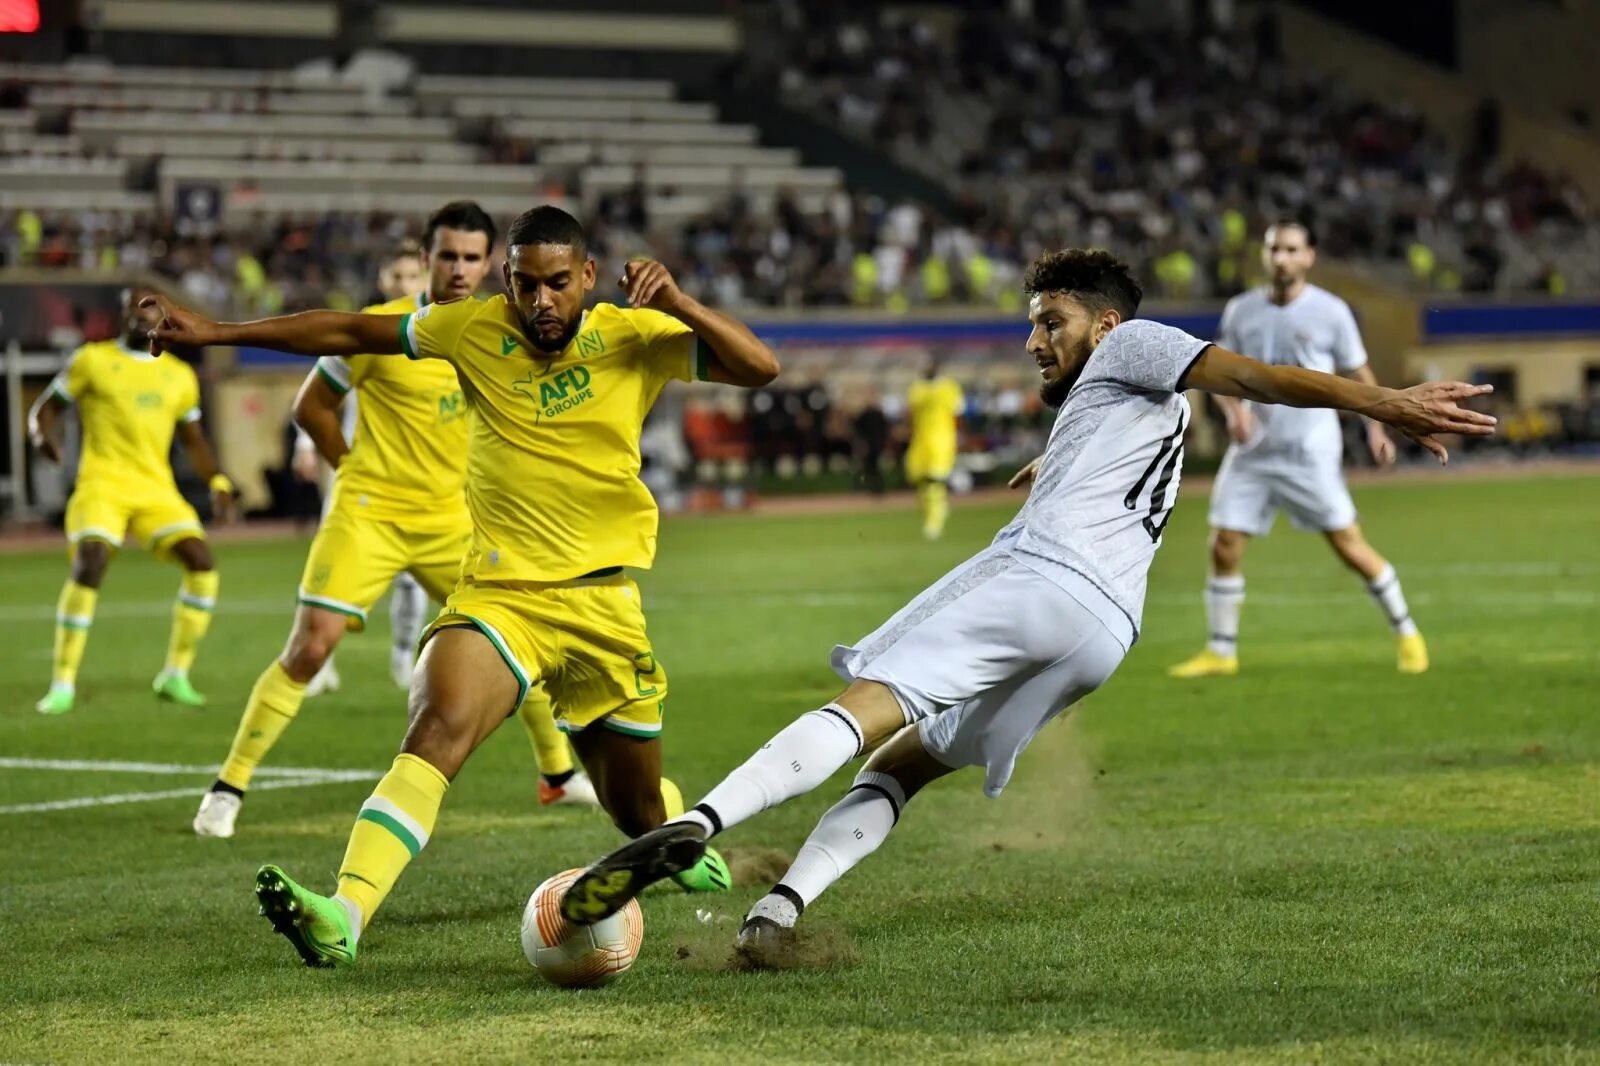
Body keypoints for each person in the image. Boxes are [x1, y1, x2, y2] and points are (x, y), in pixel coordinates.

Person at [556, 249, 1495, 951]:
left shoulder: (1144, 345)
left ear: (1107, 326)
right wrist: (1057, 459)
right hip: (1103, 635)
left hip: (1045, 575)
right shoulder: (1135, 396)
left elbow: (1251, 375)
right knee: (908, 764)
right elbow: (1147, 436)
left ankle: (695, 825)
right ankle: (779, 911)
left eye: (1051, 320)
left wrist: (1388, 403)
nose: (1034, 339)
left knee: (868, 702)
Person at [145, 204, 781, 967]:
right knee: (436, 725)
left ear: (586, 277)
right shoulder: (471, 329)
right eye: (525, 286)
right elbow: (348, 332)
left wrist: (677, 302)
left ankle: (670, 844)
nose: (541, 302)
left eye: (556, 284)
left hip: (605, 606)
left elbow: (759, 367)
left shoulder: (633, 338)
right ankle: (343, 913)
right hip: (501, 596)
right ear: (505, 283)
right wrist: (215, 334)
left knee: (637, 809)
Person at [194, 203, 598, 841]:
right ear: (426, 257)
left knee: (523, 642)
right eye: (447, 256)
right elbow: (312, 406)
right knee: (311, 647)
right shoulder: (385, 328)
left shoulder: (502, 332)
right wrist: (353, 471)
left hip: (453, 523)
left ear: (490, 263)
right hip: (370, 515)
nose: (459, 269)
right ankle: (228, 786)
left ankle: (556, 774)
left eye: (471, 258)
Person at [1168, 222, 1429, 679]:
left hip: (1309, 451)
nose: (1282, 258)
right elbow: (1217, 372)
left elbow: (1357, 372)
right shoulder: (1241, 310)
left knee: (1350, 546)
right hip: (1253, 452)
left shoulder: (1331, 312)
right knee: (1224, 543)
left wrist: (1377, 424)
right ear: (1264, 256)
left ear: (1309, 256)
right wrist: (1234, 413)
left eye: (1291, 249)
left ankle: (1407, 632)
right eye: (1274, 249)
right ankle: (1221, 652)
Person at [29, 286, 236, 714]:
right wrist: (40, 436)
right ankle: (62, 683)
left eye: (151, 308)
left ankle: (175, 675)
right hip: (101, 484)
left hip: (154, 489)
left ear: (165, 317)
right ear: (121, 315)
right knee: (91, 561)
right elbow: (46, 408)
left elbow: (193, 440)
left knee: (202, 562)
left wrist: (216, 479)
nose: (142, 316)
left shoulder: (178, 375)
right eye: (133, 307)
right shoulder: (92, 360)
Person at [289, 239, 430, 698]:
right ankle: (321, 662)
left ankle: (404, 659)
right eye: (397, 276)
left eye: (412, 277)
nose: (405, 284)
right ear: (382, 279)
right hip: (361, 470)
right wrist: (307, 444)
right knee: (332, 565)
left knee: (415, 578)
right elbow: (324, 393)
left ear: (425, 279)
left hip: (427, 478)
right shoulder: (367, 327)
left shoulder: (438, 331)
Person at [905, 362, 963, 538]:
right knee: (916, 476)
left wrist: (958, 436)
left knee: (934, 478)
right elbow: (911, 414)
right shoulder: (916, 388)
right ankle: (937, 505)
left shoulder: (949, 387)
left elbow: (957, 412)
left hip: (941, 439)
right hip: (920, 440)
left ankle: (934, 520)